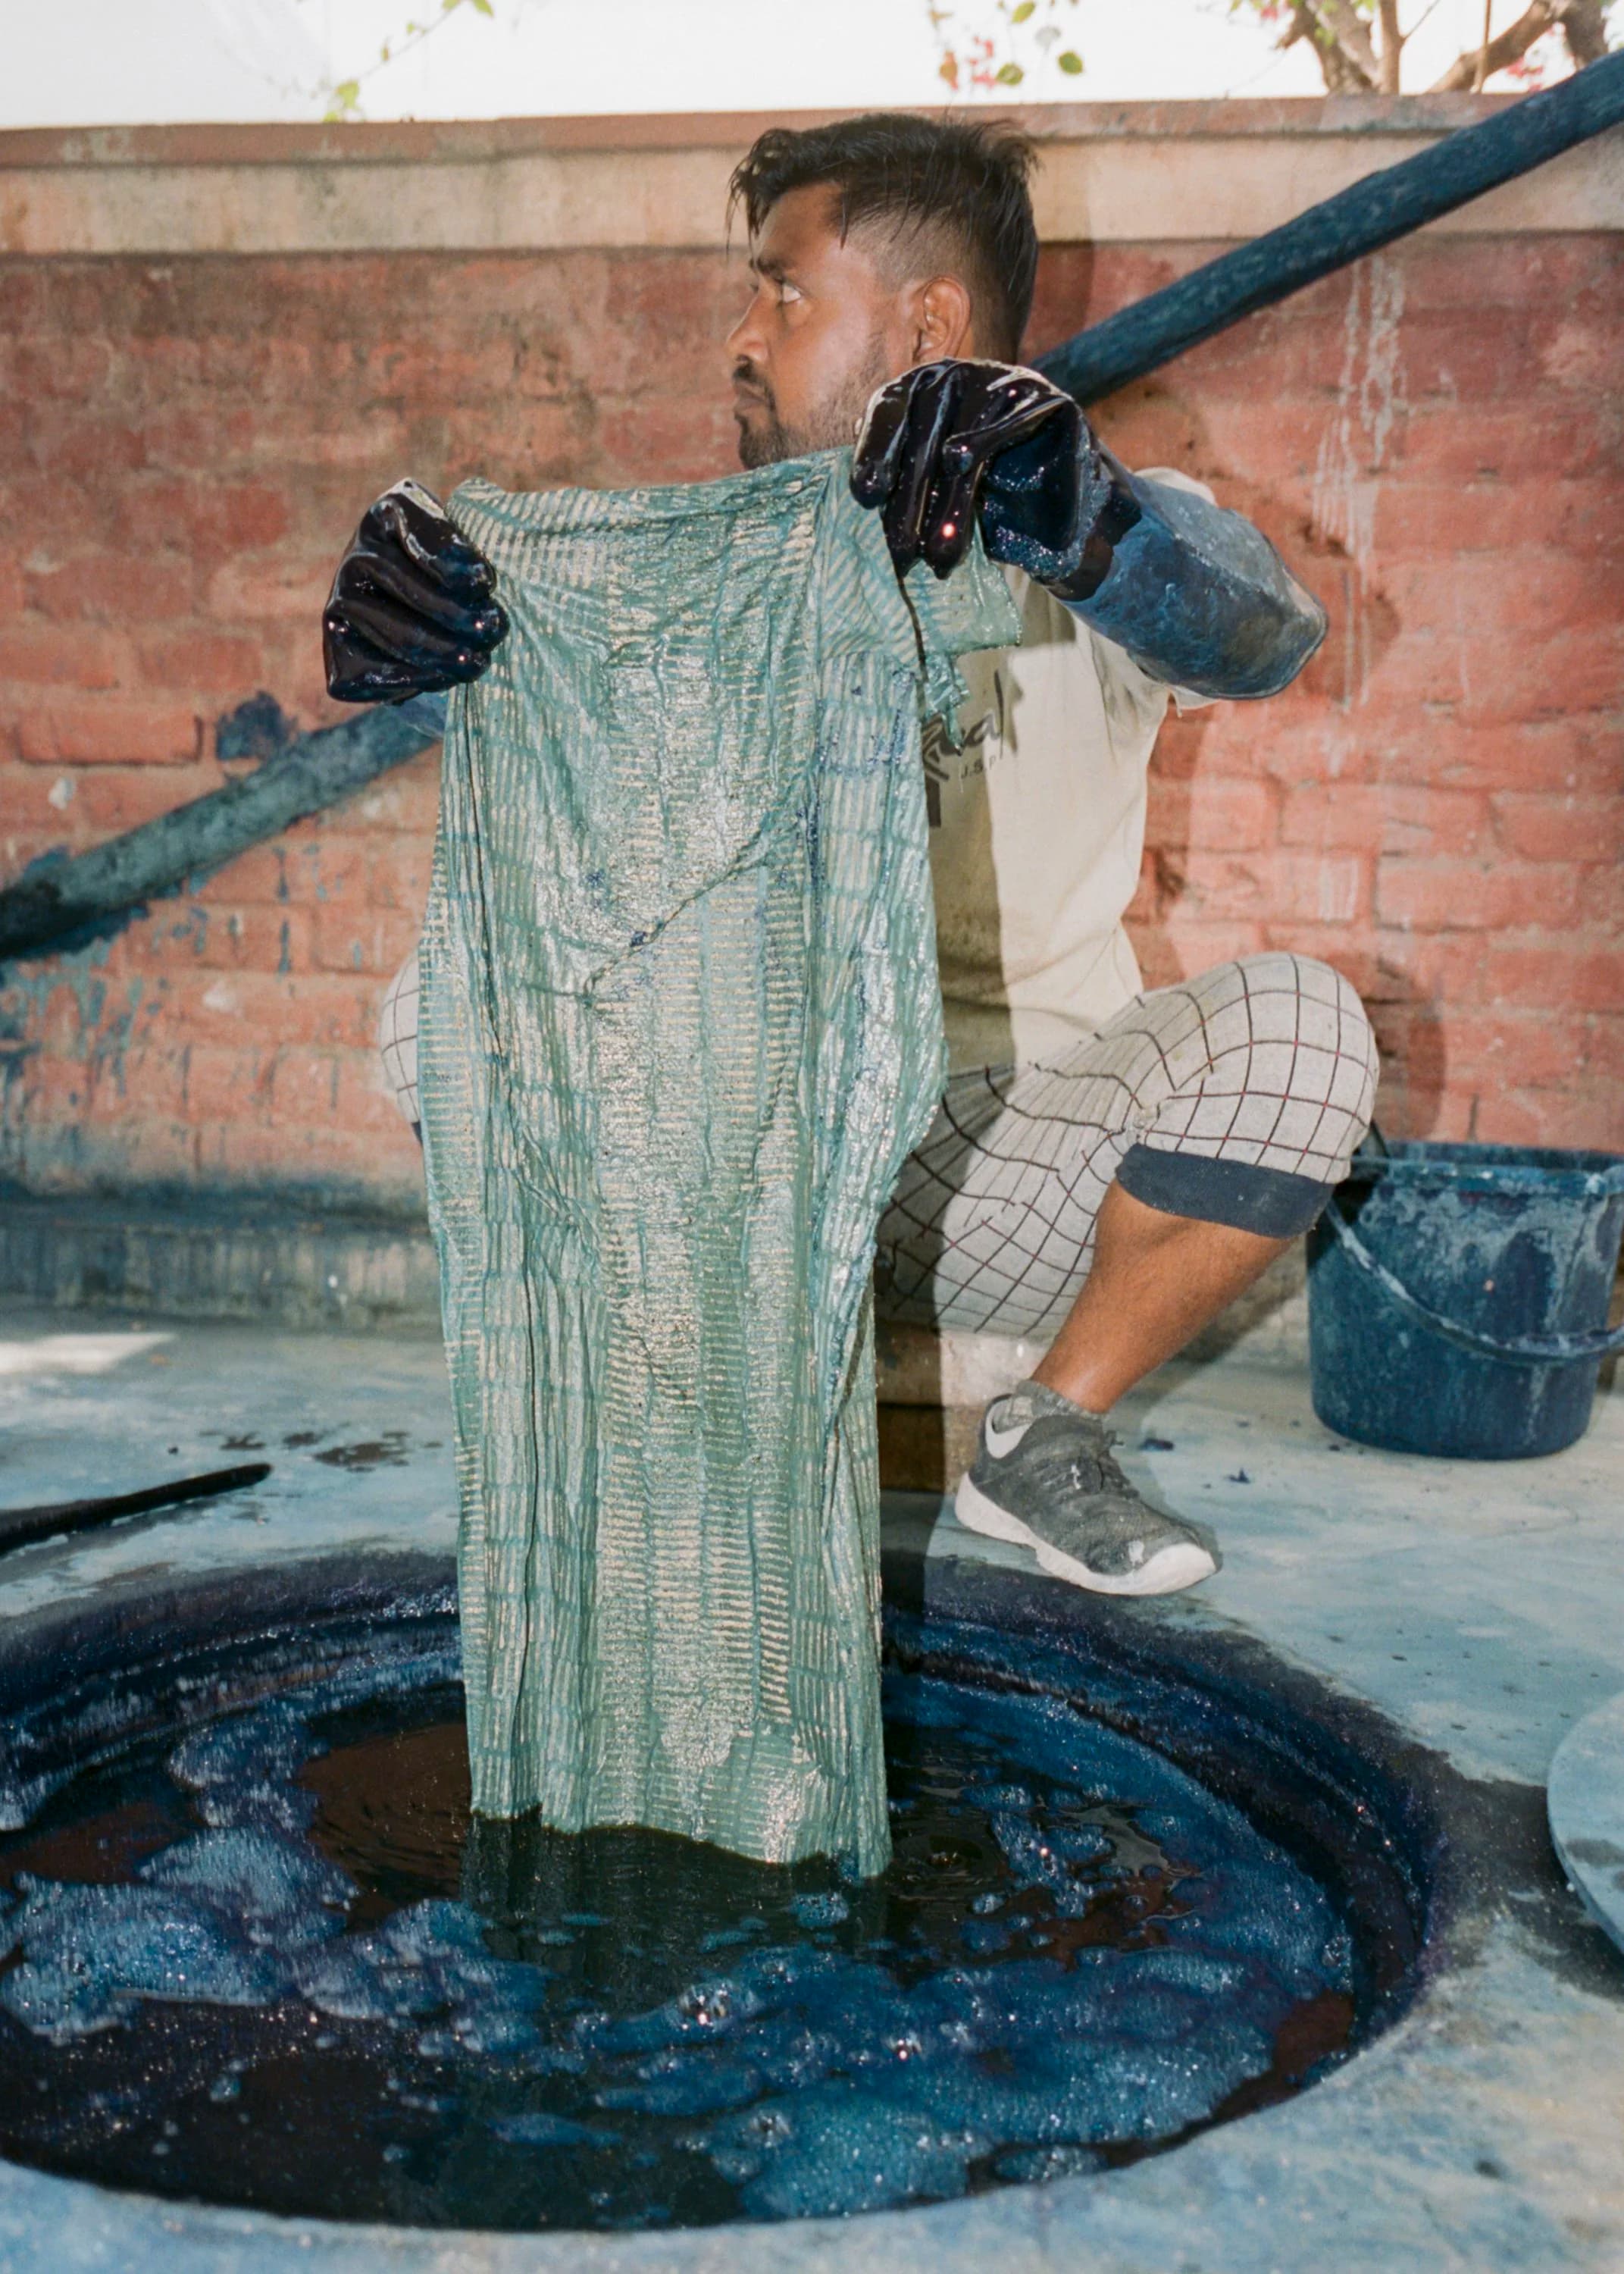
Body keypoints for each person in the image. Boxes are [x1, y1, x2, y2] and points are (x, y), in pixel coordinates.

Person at [323, 113, 1378, 1603]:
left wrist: (1083, 524)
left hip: (1008, 1158)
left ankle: (1047, 1437)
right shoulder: (689, 564)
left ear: (926, 322)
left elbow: (1257, 629)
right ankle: (651, 1422)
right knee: (439, 997)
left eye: (782, 292)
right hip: (737, 1157)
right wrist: (419, 619)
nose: (739, 338)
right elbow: (516, 790)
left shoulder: (1107, 527)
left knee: (1303, 1024)